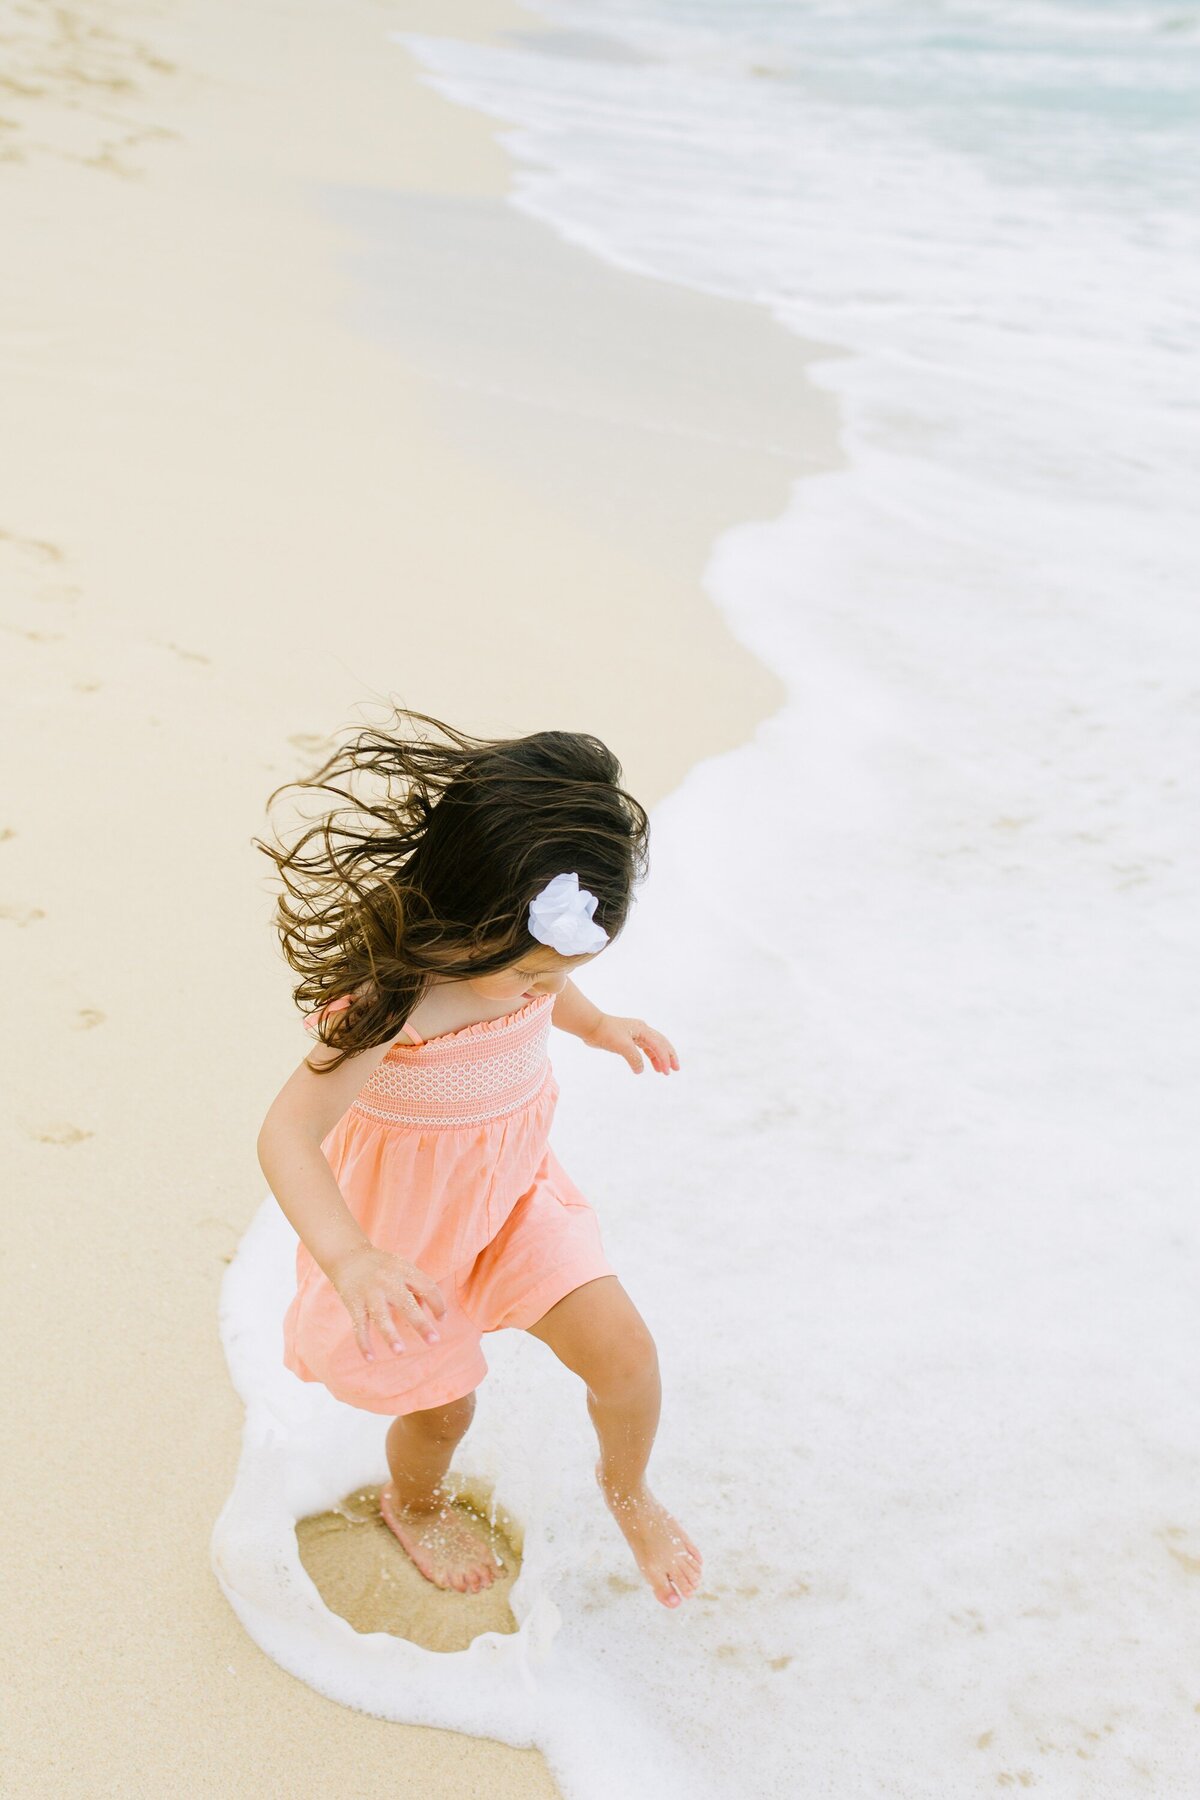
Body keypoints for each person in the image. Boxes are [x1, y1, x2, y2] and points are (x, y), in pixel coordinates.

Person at [254, 708, 703, 1609]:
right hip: (408, 1238)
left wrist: (597, 1023)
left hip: (515, 1195)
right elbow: (287, 1134)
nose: (546, 991)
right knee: (441, 1410)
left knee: (627, 1355)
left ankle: (629, 1488)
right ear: (474, 919)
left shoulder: (522, 962)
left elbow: (555, 985)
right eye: (533, 976)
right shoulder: (393, 1002)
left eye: (557, 975)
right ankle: (414, 1503)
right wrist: (352, 1258)